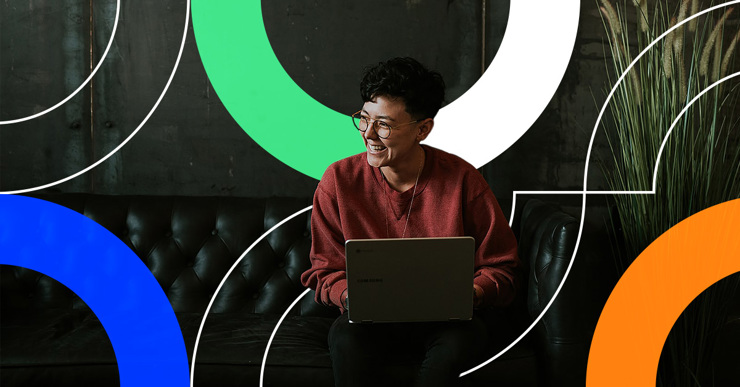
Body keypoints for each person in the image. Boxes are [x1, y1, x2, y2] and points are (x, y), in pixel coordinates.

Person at [301, 57, 519, 387]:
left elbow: (502, 267)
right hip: (367, 323)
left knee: (462, 340)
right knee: (347, 339)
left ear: (423, 129)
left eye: (384, 125)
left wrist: (472, 292)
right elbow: (324, 270)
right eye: (364, 119)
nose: (369, 134)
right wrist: (350, 296)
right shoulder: (338, 180)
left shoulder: (462, 180)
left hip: (447, 322)